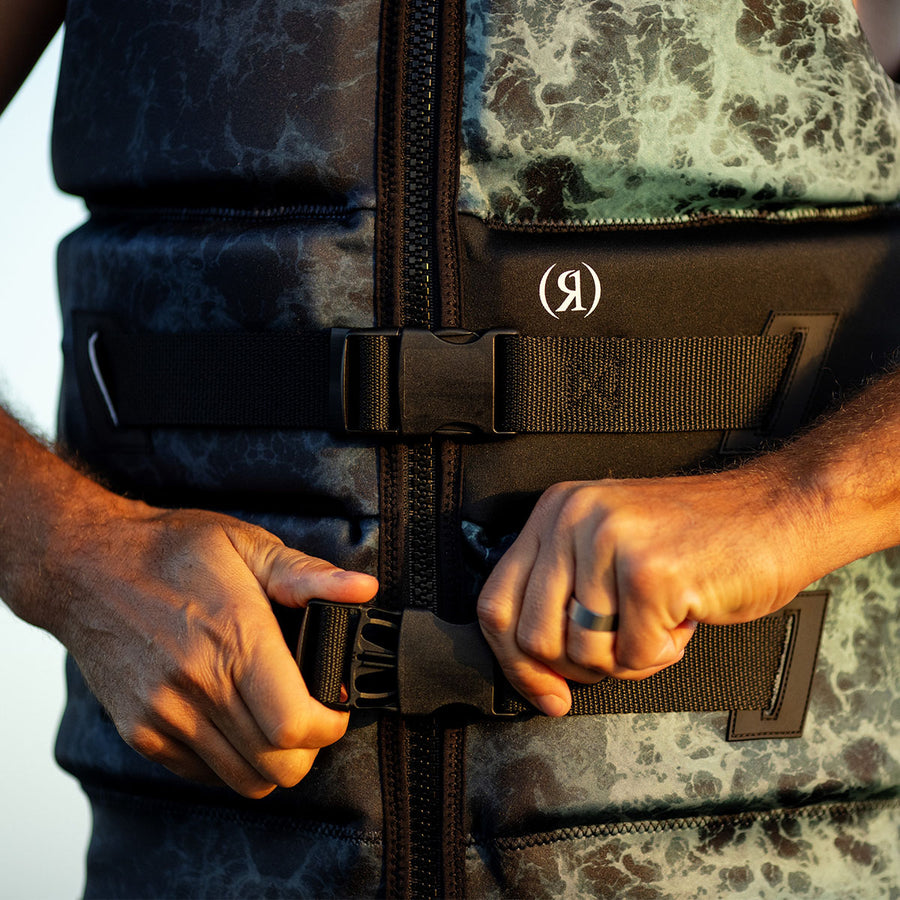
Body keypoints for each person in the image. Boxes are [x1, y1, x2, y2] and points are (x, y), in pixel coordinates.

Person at [1, 0, 898, 896]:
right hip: (208, 857)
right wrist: (66, 552)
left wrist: (797, 504)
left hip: (762, 848)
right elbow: (63, 550)